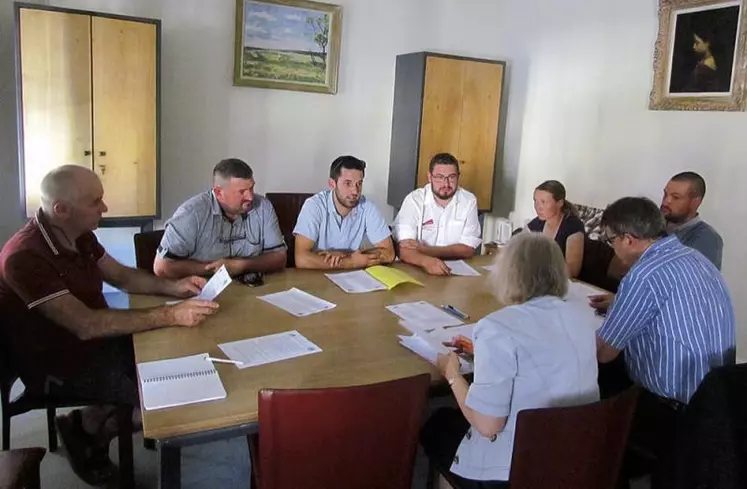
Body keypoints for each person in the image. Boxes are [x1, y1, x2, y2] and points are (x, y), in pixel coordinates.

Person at [0, 166, 219, 486]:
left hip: (93, 343)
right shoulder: (24, 257)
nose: (105, 208)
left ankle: (85, 425)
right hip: (56, 363)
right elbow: (86, 325)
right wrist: (170, 314)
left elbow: (123, 276)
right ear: (62, 209)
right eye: (96, 201)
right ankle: (86, 428)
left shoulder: (79, 236)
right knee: (170, 398)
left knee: (178, 358)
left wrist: (176, 288)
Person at [420, 233, 599, 487]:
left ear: (510, 274)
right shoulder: (582, 314)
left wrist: (451, 374)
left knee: (437, 425)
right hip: (576, 453)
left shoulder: (497, 327)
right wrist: (484, 355)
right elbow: (542, 357)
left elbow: (488, 426)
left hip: (518, 469)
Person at [591, 197, 734, 483]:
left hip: (670, 409)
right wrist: (621, 302)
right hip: (717, 399)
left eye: (611, 241)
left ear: (629, 240)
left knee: (597, 378)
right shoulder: (695, 258)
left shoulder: (644, 275)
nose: (612, 249)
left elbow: (604, 352)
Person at [154, 158, 286, 279]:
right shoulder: (191, 213)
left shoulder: (263, 207)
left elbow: (280, 258)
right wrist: (216, 270)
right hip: (201, 292)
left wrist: (241, 266)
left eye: (251, 188)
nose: (250, 197)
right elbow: (162, 267)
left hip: (251, 290)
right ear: (219, 193)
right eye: (242, 191)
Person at [293, 155, 395, 269]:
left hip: (351, 279)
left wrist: (347, 256)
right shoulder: (314, 206)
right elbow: (301, 259)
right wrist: (350, 262)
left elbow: (389, 254)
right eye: (348, 183)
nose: (355, 191)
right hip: (317, 277)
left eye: (359, 184)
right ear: (332, 184)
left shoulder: (367, 207)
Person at [392, 153, 481, 276]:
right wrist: (427, 261)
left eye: (451, 177)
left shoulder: (469, 200)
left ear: (458, 177)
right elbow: (405, 250)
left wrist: (426, 250)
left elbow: (468, 249)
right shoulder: (414, 200)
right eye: (439, 177)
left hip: (456, 271)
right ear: (429, 177)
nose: (446, 184)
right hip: (417, 268)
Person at [661, 171, 722, 270]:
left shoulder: (707, 238)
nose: (666, 201)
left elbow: (692, 279)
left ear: (695, 203)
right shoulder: (653, 227)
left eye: (675, 197)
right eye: (665, 194)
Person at [527, 180, 585, 277]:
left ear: (560, 203)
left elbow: (572, 271)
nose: (538, 207)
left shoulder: (573, 227)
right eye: (535, 201)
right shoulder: (535, 224)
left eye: (543, 202)